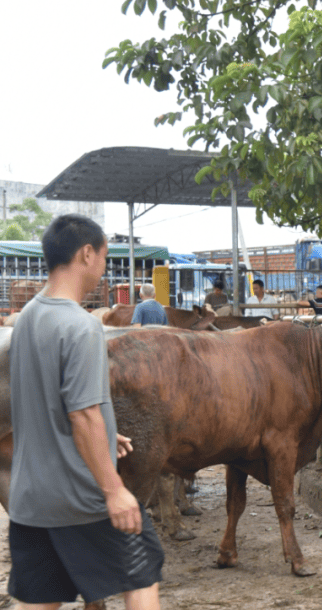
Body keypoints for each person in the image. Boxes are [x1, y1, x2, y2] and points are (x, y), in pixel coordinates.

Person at [7, 214, 163, 609]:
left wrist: (107, 433)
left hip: (29, 499)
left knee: (40, 598)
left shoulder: (25, 320)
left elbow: (46, 402)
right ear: (86, 254)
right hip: (80, 498)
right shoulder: (81, 326)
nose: (104, 270)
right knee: (142, 568)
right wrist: (114, 491)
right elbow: (82, 415)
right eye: (105, 259)